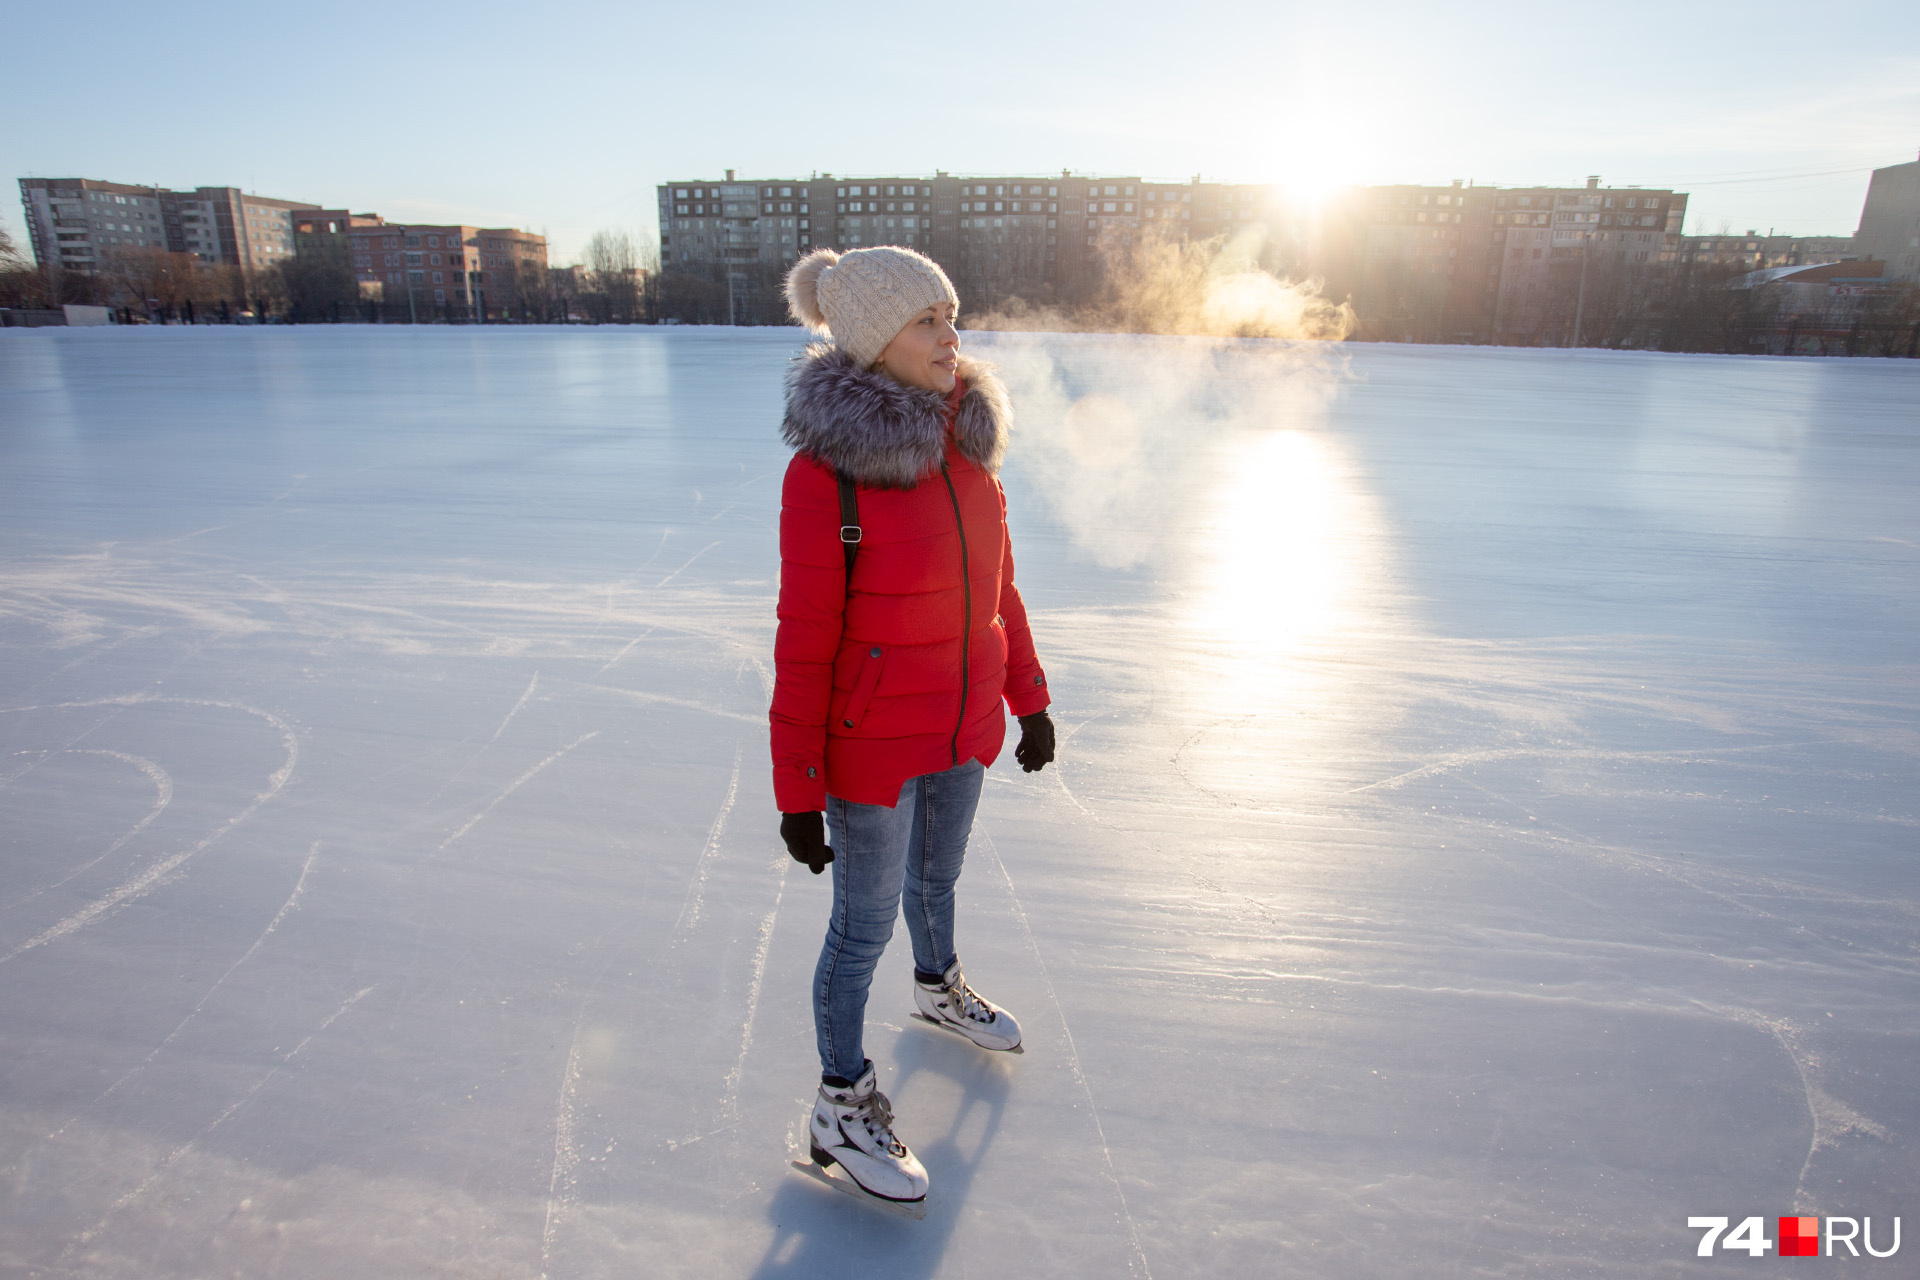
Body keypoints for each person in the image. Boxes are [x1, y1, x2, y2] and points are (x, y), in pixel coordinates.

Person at [770, 245, 1056, 1209]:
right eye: (928, 320)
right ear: (870, 339)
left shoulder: (971, 451)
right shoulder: (827, 478)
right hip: (871, 746)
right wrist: (797, 790)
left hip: (963, 720)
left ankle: (938, 986)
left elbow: (998, 593)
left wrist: (1030, 696)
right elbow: (805, 640)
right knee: (859, 927)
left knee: (938, 880)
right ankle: (838, 1106)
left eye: (953, 313)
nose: (952, 335)